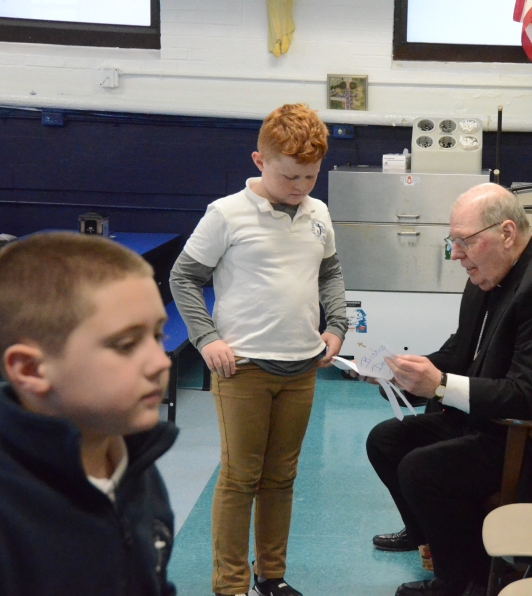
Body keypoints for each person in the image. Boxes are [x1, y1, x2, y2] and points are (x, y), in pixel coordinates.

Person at [366, 183, 532, 596]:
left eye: (465, 242)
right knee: (386, 440)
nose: (456, 255)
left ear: (506, 233)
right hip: (501, 423)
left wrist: (441, 387)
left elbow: (529, 394)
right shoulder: (488, 274)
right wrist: (405, 376)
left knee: (423, 470)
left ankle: (460, 581)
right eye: (453, 242)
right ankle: (455, 556)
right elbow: (462, 350)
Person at [169, 103, 347, 596]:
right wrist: (206, 339)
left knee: (281, 478)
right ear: (258, 160)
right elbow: (184, 277)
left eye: (310, 176)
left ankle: (272, 576)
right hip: (242, 367)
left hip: (302, 366)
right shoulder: (225, 214)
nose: (300, 187)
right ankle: (230, 585)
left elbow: (329, 272)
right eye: (290, 175)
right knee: (240, 477)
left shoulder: (319, 213)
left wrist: (336, 325)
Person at [0, 232, 177, 596]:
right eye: (126, 344)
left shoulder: (138, 470)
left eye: (157, 336)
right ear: (30, 369)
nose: (158, 362)